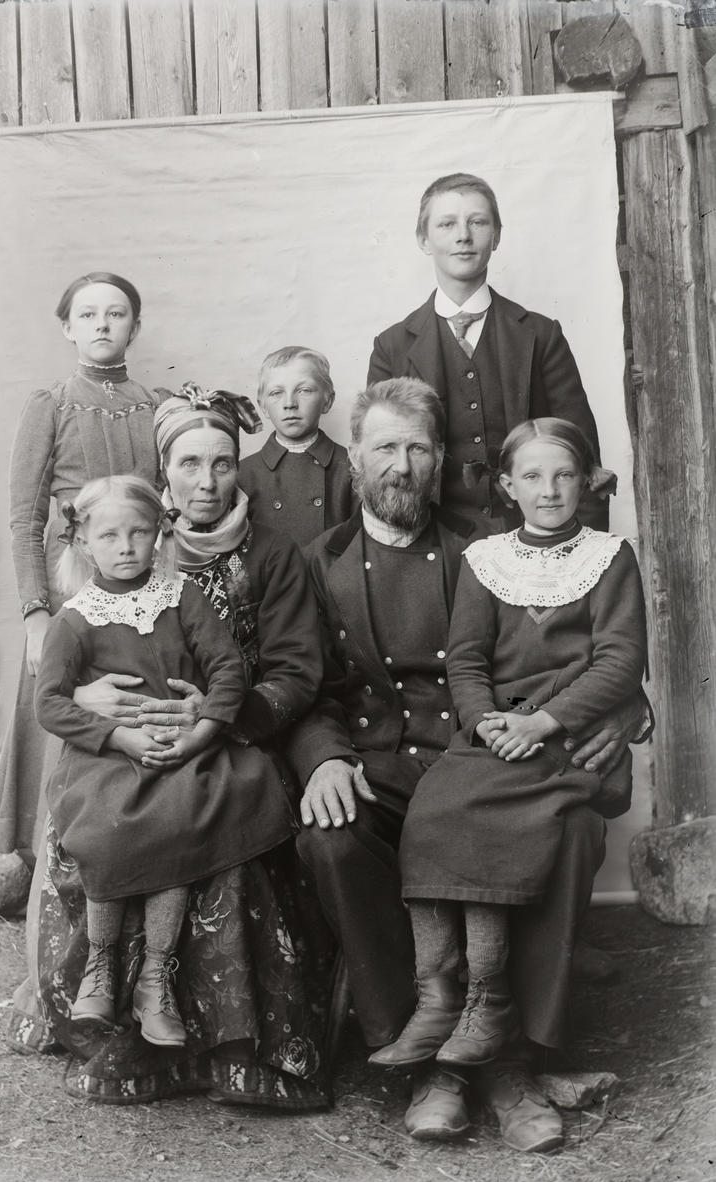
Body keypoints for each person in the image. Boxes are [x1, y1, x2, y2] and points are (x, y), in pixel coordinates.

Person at [287, 378, 648, 1151]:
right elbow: (309, 686)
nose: (402, 464)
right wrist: (322, 760)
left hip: (487, 753)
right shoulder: (322, 561)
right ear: (355, 460)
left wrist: (623, 714)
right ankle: (427, 1055)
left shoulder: (486, 545)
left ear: (440, 457)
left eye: (418, 447)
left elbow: (583, 644)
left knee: (575, 827)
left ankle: (512, 1060)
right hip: (383, 760)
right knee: (331, 838)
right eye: (385, 447)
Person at [7, 384, 331, 1110]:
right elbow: (58, 689)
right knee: (104, 822)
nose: (206, 480)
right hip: (115, 749)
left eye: (222, 463)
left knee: (221, 823)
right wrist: (97, 705)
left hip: (228, 734)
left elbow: (279, 670)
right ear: (164, 477)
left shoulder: (267, 556)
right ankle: (109, 996)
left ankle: (219, 1038)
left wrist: (214, 722)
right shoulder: (118, 564)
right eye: (189, 463)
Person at [373, 418, 645, 1075]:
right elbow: (465, 659)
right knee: (435, 811)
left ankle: (489, 999)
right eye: (531, 476)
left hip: (571, 739)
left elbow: (618, 662)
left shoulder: (609, 558)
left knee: (493, 819)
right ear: (506, 485)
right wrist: (486, 721)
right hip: (496, 734)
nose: (549, 490)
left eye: (563, 475)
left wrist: (542, 723)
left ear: (586, 481)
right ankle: (437, 996)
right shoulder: (486, 559)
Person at [34, 474, 291, 1045]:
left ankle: (157, 974)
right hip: (107, 759)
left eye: (138, 533)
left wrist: (201, 734)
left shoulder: (182, 598)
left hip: (182, 751)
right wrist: (116, 738)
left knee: (178, 819)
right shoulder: (75, 619)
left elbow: (229, 670)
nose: (125, 547)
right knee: (105, 828)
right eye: (109, 536)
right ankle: (101, 968)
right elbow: (48, 703)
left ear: (160, 535)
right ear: (83, 543)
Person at [0, 272, 169, 863]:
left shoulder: (156, 407)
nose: (102, 325)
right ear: (67, 327)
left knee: (132, 705)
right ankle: (48, 861)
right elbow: (23, 519)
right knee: (72, 707)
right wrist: (37, 616)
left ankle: (130, 845)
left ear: (134, 327)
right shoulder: (52, 406)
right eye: (88, 315)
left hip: (142, 583)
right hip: (70, 592)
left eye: (116, 315)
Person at [367, 173, 607, 532]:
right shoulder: (392, 347)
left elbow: (582, 453)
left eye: (477, 222)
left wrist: (583, 547)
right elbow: (380, 463)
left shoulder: (541, 335)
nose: (463, 235)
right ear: (424, 239)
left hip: (532, 537)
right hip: (432, 544)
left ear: (496, 236)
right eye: (447, 224)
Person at [239, 346, 354, 547]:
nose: (290, 403)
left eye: (304, 390)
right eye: (276, 393)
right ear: (262, 404)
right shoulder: (244, 474)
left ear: (327, 400)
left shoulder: (351, 468)